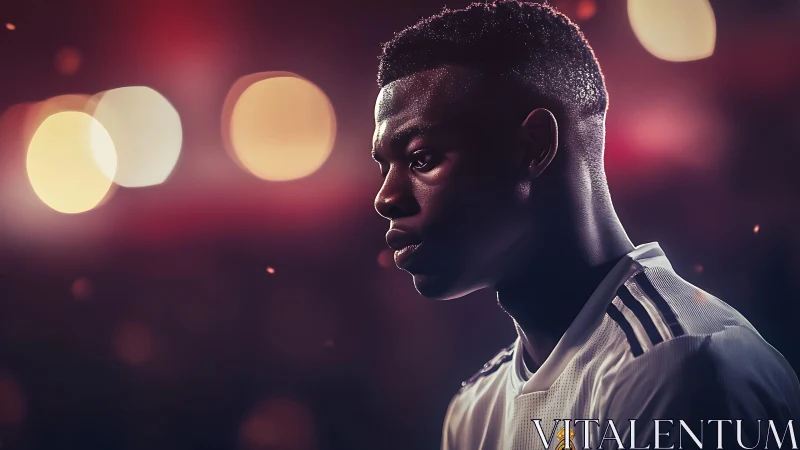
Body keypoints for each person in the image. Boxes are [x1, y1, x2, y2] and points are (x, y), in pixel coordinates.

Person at [370, 1, 800, 449]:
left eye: (421, 158)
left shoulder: (679, 365)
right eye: (384, 166)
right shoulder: (474, 409)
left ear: (533, 145)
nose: (385, 198)